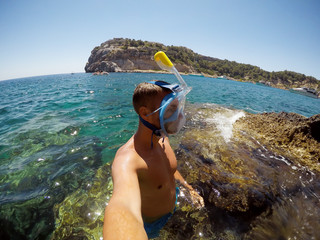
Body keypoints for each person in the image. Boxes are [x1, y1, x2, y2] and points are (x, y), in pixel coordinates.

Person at [103, 80, 204, 240]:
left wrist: (188, 188)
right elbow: (123, 207)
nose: (178, 115)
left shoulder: (163, 138)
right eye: (171, 109)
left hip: (175, 201)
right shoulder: (128, 161)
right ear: (145, 113)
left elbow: (170, 170)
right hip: (153, 224)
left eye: (178, 107)